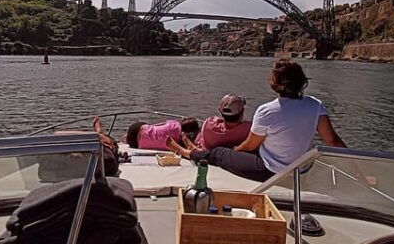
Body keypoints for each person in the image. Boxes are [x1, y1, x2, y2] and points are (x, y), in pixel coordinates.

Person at [177, 59, 345, 182]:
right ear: (301, 82)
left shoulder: (267, 111)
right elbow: (332, 140)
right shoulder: (316, 105)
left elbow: (249, 146)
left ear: (274, 83)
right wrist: (358, 171)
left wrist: (233, 150)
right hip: (300, 169)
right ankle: (196, 152)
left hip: (269, 170)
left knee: (220, 153)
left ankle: (189, 153)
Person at [125, 117, 200, 150]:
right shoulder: (183, 144)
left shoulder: (174, 124)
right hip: (137, 144)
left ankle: (125, 137)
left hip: (136, 130)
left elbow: (156, 125)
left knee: (152, 128)